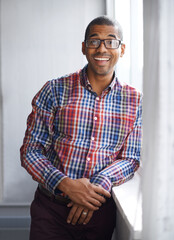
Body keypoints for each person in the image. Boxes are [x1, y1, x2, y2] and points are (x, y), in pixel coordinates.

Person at [20, 15, 142, 240]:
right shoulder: (54, 90)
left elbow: (131, 158)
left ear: (122, 49)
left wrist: (96, 185)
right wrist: (65, 185)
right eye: (94, 41)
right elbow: (30, 151)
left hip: (99, 212)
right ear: (84, 48)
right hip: (51, 211)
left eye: (111, 41)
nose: (102, 48)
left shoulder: (135, 100)